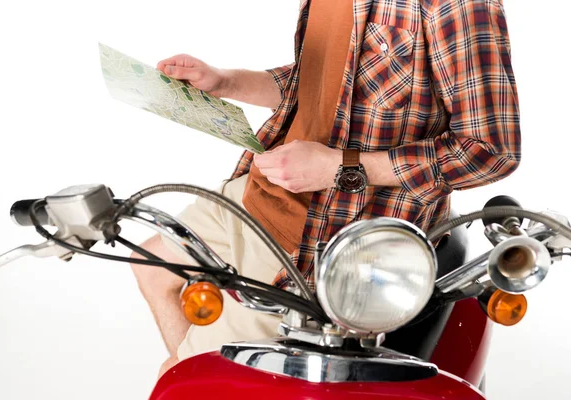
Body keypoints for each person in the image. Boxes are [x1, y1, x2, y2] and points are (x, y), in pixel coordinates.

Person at [131, 0, 521, 377]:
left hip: (327, 239)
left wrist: (339, 168)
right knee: (151, 268)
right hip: (262, 192)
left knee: (191, 376)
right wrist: (228, 81)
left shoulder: (458, 4)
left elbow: (490, 151)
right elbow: (320, 87)